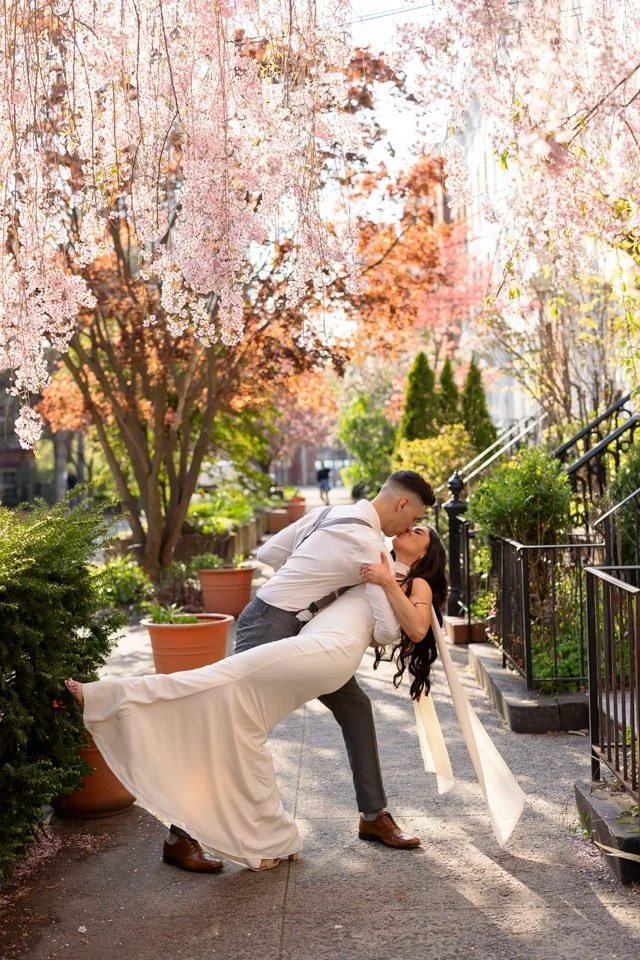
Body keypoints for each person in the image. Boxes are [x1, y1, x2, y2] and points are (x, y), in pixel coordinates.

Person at [65, 520, 446, 872]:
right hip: (299, 639)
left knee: (214, 687)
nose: (410, 528)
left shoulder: (412, 581)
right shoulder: (363, 543)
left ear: (426, 554)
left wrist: (385, 579)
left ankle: (109, 696)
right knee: (233, 719)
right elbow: (283, 558)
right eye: (412, 522)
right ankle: (261, 838)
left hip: (326, 652)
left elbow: (408, 629)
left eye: (419, 531)